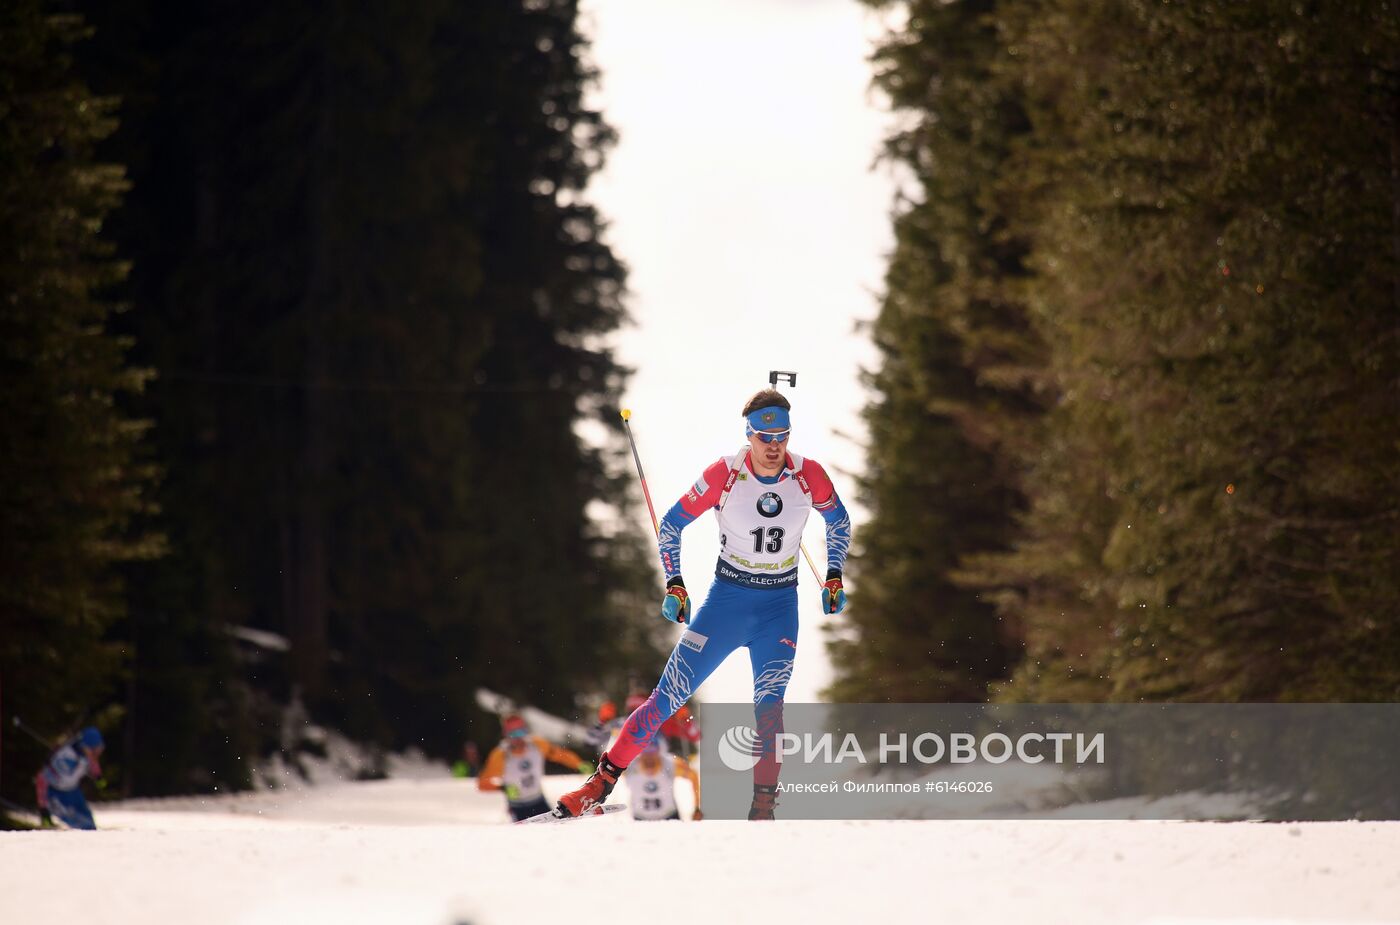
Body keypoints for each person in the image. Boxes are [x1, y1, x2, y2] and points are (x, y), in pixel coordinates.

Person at [556, 388, 851, 820]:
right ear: (748, 434)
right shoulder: (724, 475)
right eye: (764, 437)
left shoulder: (809, 476)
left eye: (782, 437)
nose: (773, 447)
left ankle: (763, 808)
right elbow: (672, 524)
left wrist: (834, 575)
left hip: (778, 608)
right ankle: (598, 784)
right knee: (666, 698)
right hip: (726, 603)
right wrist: (676, 585)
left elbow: (838, 519)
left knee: (769, 709)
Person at [478, 714, 594, 822]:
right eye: (513, 734)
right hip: (517, 807)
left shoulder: (537, 745)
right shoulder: (500, 756)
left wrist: (579, 764)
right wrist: (503, 788)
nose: (518, 738)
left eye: (521, 732)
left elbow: (561, 755)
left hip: (539, 801)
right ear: (505, 734)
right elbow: (482, 784)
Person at [34, 726, 105, 830]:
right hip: (56, 794)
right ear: (85, 746)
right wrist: (43, 809)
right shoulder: (66, 758)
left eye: (99, 748)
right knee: (80, 825)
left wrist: (97, 776)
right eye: (94, 750)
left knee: (89, 825)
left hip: (73, 791)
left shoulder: (86, 752)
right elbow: (42, 778)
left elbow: (92, 761)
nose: (97, 753)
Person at [625, 738, 701, 822]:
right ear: (640, 754)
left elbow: (693, 775)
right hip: (640, 819)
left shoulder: (670, 764)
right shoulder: (629, 766)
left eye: (652, 753)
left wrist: (697, 807)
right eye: (646, 753)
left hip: (669, 818)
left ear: (658, 752)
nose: (649, 757)